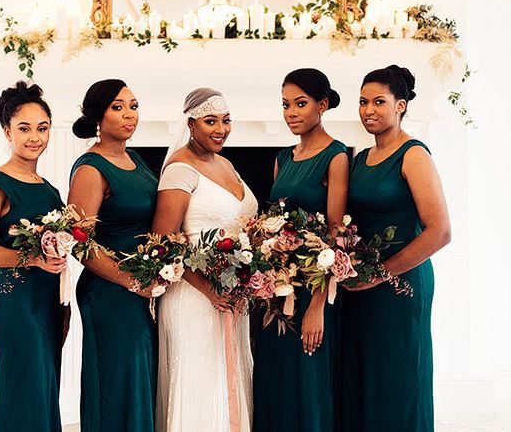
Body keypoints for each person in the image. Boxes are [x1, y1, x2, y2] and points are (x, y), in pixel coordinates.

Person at [340, 65, 451, 432]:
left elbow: (440, 231)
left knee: (399, 378)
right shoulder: (358, 160)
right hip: (363, 285)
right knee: (366, 375)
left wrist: (381, 275)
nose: (368, 110)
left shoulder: (414, 155)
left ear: (400, 105)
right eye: (362, 102)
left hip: (402, 286)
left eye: (379, 102)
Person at [151, 88, 258, 432]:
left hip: (230, 293)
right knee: (200, 381)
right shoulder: (179, 168)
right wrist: (208, 288)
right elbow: (164, 242)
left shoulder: (225, 163)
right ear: (191, 124)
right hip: (194, 296)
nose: (221, 129)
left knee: (230, 377)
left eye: (226, 121)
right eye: (210, 121)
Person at [0, 81, 66, 432]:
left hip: (47, 302)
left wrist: (63, 303)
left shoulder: (50, 190)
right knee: (19, 391)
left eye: (42, 128)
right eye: (24, 129)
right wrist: (32, 260)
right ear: (7, 131)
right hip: (14, 301)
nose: (34, 137)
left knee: (42, 391)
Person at [253, 68, 349, 432]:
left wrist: (317, 307)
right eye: (285, 105)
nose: (291, 112)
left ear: (322, 105)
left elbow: (335, 235)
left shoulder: (337, 156)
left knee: (309, 383)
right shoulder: (283, 157)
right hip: (276, 290)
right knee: (275, 380)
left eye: (300, 103)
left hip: (313, 289)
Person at [68, 79, 158, 432]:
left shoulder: (133, 158)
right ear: (98, 116)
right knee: (115, 383)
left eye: (133, 106)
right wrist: (130, 279)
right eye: (118, 107)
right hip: (108, 292)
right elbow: (78, 242)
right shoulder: (91, 168)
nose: (128, 115)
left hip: (140, 291)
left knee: (138, 379)